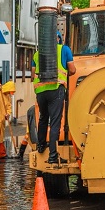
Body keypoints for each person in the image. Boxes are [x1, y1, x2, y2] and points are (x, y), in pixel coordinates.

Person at [31, 30, 76, 164]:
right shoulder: (64, 50)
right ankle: (52, 156)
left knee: (43, 118)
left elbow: (33, 74)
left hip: (40, 91)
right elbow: (72, 70)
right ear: (58, 39)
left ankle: (40, 146)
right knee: (55, 122)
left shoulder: (37, 54)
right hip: (56, 89)